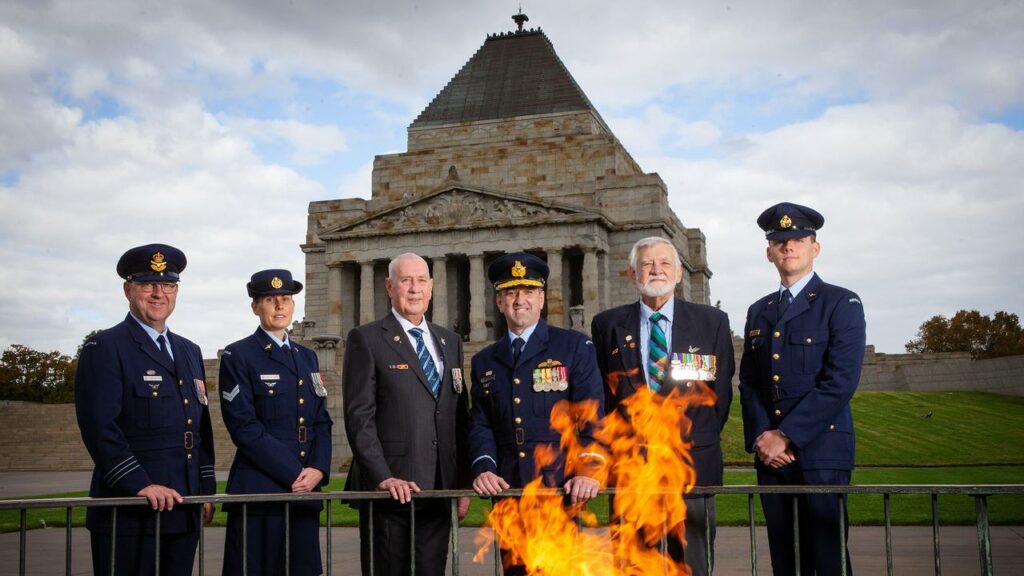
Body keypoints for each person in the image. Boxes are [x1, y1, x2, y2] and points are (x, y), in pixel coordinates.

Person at [591, 236, 735, 576]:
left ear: (680, 273)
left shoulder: (711, 322)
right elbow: (603, 398)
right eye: (646, 264)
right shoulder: (608, 325)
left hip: (692, 466)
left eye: (664, 263)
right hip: (631, 471)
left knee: (693, 566)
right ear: (631, 274)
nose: (656, 270)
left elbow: (720, 397)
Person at [739, 202, 866, 576]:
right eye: (780, 241)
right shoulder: (758, 310)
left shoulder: (841, 302)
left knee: (826, 559)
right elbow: (750, 382)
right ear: (769, 253)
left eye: (798, 239)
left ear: (815, 247)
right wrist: (763, 436)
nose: (789, 247)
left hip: (821, 451)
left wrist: (787, 436)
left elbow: (839, 381)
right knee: (785, 558)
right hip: (772, 458)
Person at [74, 244, 215, 576]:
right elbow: (100, 427)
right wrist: (139, 484)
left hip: (182, 509)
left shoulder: (189, 350)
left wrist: (205, 490)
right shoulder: (105, 347)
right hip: (131, 511)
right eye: (147, 284)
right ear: (128, 289)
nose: (158, 293)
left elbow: (199, 428)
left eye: (167, 285)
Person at [468, 252, 605, 575]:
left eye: (529, 292)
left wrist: (587, 469)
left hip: (557, 485)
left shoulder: (573, 346)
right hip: (509, 488)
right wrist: (484, 468)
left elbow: (591, 414)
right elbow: (481, 423)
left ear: (542, 299)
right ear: (499, 301)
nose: (520, 301)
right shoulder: (485, 360)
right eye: (511, 293)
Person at [342, 253, 470, 576]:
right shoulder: (367, 339)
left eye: (421, 280)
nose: (414, 289)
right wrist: (382, 476)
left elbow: (458, 415)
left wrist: (461, 484)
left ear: (432, 287)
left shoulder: (449, 341)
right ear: (389, 286)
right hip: (391, 492)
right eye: (405, 280)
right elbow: (359, 417)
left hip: (438, 491)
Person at [218, 269, 333, 575]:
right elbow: (243, 425)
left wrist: (319, 469)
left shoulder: (307, 357)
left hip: (304, 493)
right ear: (255, 306)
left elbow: (321, 420)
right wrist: (296, 473)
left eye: (286, 299)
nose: (280, 306)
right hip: (260, 490)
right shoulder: (238, 355)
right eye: (270, 300)